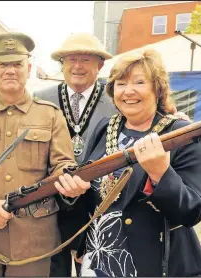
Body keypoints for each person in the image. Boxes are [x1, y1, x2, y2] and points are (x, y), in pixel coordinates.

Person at [0, 32, 91, 277]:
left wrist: (69, 180)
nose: (10, 70)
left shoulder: (50, 115)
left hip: (35, 240)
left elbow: (62, 164)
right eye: (3, 64)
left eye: (17, 64)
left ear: (28, 68)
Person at [76, 48, 201, 276]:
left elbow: (191, 212)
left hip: (151, 262)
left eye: (139, 82)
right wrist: (81, 243)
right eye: (120, 83)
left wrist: (161, 174)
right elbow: (90, 192)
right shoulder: (104, 127)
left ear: (157, 89)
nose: (128, 91)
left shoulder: (182, 134)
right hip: (97, 257)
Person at [34, 33, 115, 277]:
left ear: (100, 65)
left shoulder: (117, 98)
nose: (77, 66)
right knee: (53, 269)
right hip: (52, 203)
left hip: (98, 205)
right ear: (62, 64)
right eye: (71, 59)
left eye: (85, 59)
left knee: (92, 268)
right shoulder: (39, 99)